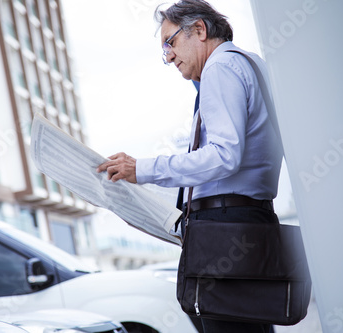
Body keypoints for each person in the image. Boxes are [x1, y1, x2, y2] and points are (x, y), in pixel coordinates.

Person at [97, 1, 283, 332]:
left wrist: (142, 169)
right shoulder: (251, 64)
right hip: (247, 221)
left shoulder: (220, 68)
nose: (168, 56)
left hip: (225, 228)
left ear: (199, 30)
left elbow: (225, 155)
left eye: (170, 42)